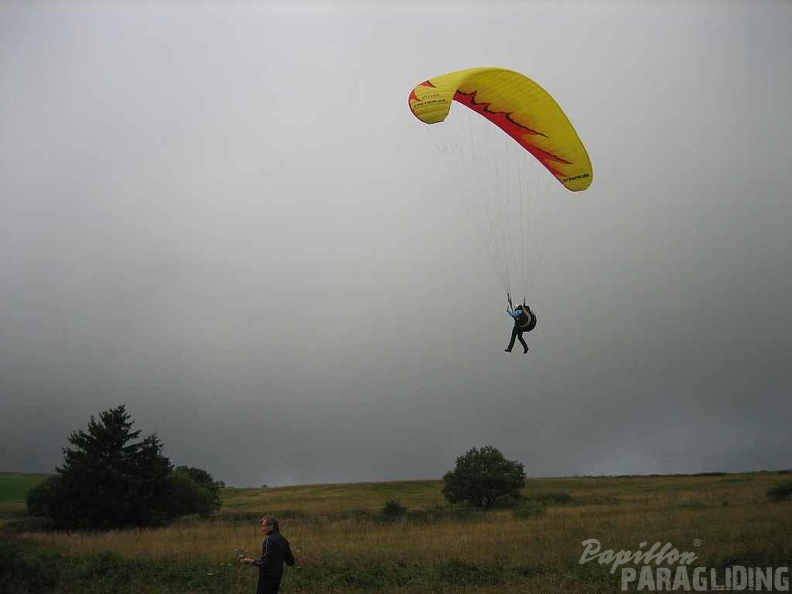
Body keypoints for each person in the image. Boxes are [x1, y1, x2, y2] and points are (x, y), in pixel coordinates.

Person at [241, 515, 295, 594]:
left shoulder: (269, 540)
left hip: (266, 577)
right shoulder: (283, 540)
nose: (262, 529)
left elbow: (265, 563)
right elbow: (291, 562)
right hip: (277, 577)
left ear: (272, 526)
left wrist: (251, 561)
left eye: (264, 526)